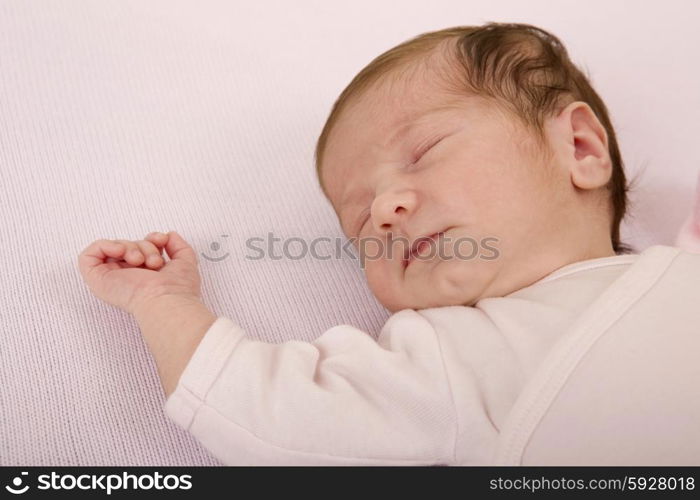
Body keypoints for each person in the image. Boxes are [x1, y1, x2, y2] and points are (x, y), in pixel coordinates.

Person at [77, 22, 700, 465]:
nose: (382, 210)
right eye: (357, 226)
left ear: (581, 149)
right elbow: (271, 410)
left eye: (423, 152)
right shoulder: (456, 360)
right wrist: (163, 300)